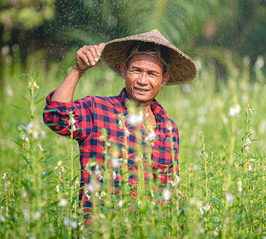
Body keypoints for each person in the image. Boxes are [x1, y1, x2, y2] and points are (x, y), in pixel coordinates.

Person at [43, 30, 197, 221]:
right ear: (124, 70)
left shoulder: (168, 129)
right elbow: (55, 117)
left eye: (152, 74)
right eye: (137, 70)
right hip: (100, 230)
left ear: (163, 79)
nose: (142, 80)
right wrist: (77, 69)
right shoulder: (98, 110)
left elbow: (169, 191)